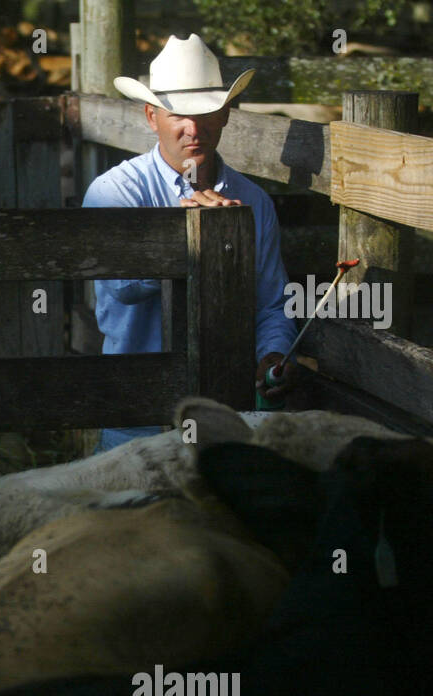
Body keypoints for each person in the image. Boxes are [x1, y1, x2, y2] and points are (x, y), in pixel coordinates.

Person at [82, 34, 298, 451]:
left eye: (207, 113)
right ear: (151, 117)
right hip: (138, 412)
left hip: (228, 411)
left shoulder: (254, 201)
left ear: (226, 115)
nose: (192, 128)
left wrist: (274, 353)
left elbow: (272, 302)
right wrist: (197, 235)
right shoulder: (115, 192)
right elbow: (122, 287)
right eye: (177, 114)